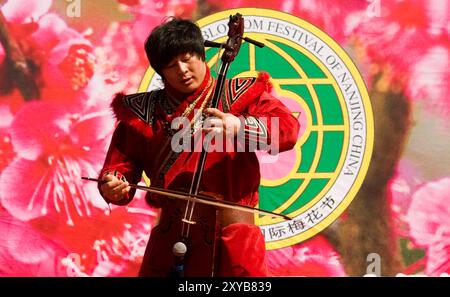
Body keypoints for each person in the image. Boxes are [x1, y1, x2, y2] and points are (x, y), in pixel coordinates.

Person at [98, 18, 300, 277]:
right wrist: (114, 184)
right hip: (171, 235)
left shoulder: (240, 95)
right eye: (171, 65)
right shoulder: (143, 113)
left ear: (202, 55)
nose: (182, 70)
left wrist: (239, 126)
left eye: (188, 58)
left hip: (233, 237)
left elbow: (288, 131)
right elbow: (120, 166)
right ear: (160, 72)